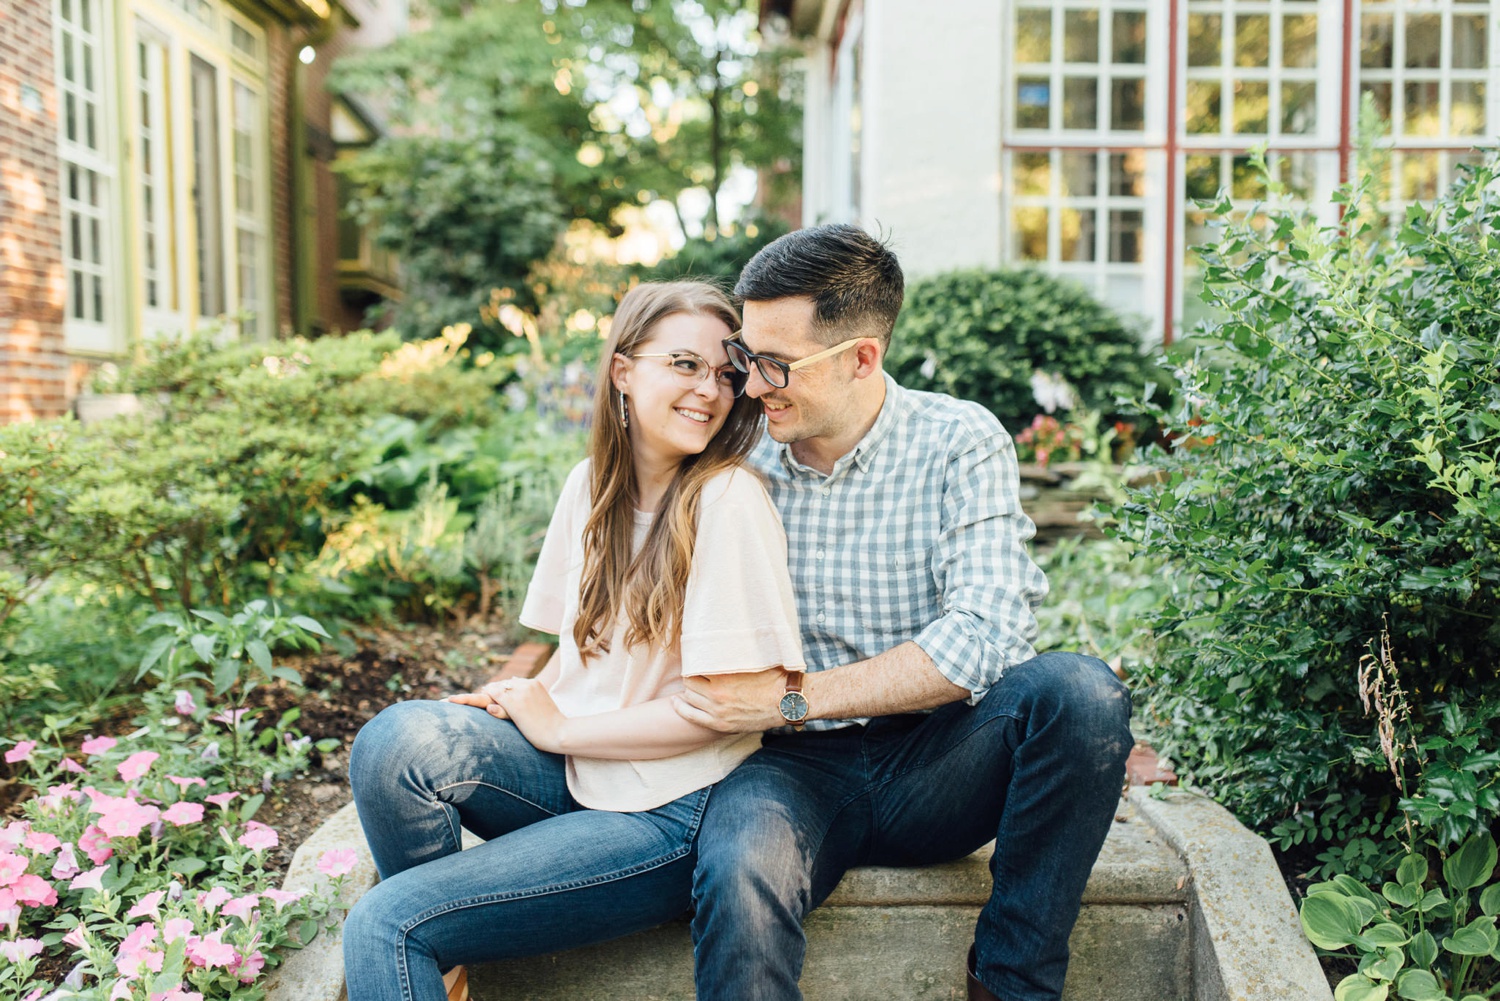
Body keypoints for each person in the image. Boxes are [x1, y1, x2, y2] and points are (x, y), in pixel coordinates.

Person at [671, 224, 1136, 1001]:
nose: (752, 387)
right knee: (740, 866)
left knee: (1081, 693)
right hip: (788, 767)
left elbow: (983, 638)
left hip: (941, 759)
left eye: (777, 365)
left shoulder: (959, 440)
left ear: (862, 357)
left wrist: (795, 694)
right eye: (748, 358)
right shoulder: (735, 458)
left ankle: (1008, 980)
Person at [341, 281, 805, 1001]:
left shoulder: (727, 499)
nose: (708, 391)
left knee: (385, 924)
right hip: (579, 770)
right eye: (683, 364)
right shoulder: (590, 485)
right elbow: (577, 645)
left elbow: (722, 707)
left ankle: (428, 944)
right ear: (623, 370)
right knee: (395, 742)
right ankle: (449, 963)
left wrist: (563, 726)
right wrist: (522, 700)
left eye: (723, 373)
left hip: (671, 808)